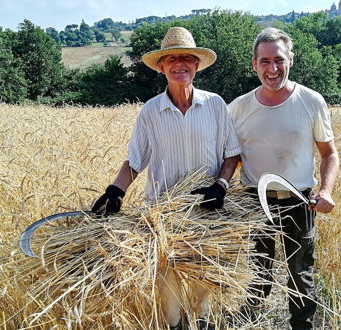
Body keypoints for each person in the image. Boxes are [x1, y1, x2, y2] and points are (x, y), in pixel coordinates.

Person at [91, 26, 241, 330]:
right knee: (169, 287)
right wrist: (115, 190)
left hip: (206, 212)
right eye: (171, 58)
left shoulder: (215, 105)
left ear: (197, 65)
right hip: (163, 215)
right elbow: (135, 161)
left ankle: (202, 324)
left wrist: (221, 186)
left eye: (186, 57)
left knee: (203, 284)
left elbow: (231, 154)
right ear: (161, 66)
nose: (179, 64)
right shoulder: (150, 111)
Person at [228, 27, 340, 329]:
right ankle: (248, 323)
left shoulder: (311, 101)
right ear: (254, 65)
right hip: (253, 203)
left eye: (278, 59)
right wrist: (220, 186)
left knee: (300, 274)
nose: (272, 68)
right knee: (257, 274)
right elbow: (230, 157)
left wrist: (326, 190)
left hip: (299, 201)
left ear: (290, 59)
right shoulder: (237, 108)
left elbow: (329, 154)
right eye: (264, 61)